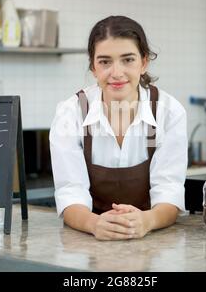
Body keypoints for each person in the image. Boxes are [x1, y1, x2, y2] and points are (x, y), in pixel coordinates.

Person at [49, 15, 187, 241]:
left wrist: (147, 220)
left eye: (127, 60)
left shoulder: (168, 112)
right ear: (93, 67)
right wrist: (95, 224)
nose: (116, 72)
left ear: (144, 62)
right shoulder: (70, 113)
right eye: (105, 61)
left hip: (153, 237)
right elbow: (70, 191)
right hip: (89, 238)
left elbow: (169, 190)